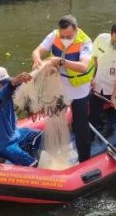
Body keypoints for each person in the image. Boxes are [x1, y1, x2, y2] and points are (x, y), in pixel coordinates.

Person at [32, 15, 95, 163]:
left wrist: (60, 61)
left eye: (69, 36)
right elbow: (37, 51)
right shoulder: (54, 35)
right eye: (62, 35)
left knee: (80, 125)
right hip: (60, 85)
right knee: (55, 119)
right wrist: (38, 61)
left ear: (76, 30)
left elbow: (83, 66)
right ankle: (56, 153)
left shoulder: (85, 42)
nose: (65, 38)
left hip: (79, 89)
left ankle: (85, 159)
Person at [0, 66, 41, 166]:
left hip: (16, 134)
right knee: (33, 163)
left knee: (43, 138)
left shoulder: (8, 88)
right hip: (1, 145)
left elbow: (26, 85)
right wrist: (12, 84)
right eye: (3, 83)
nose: (6, 85)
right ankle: (3, 161)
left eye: (7, 82)